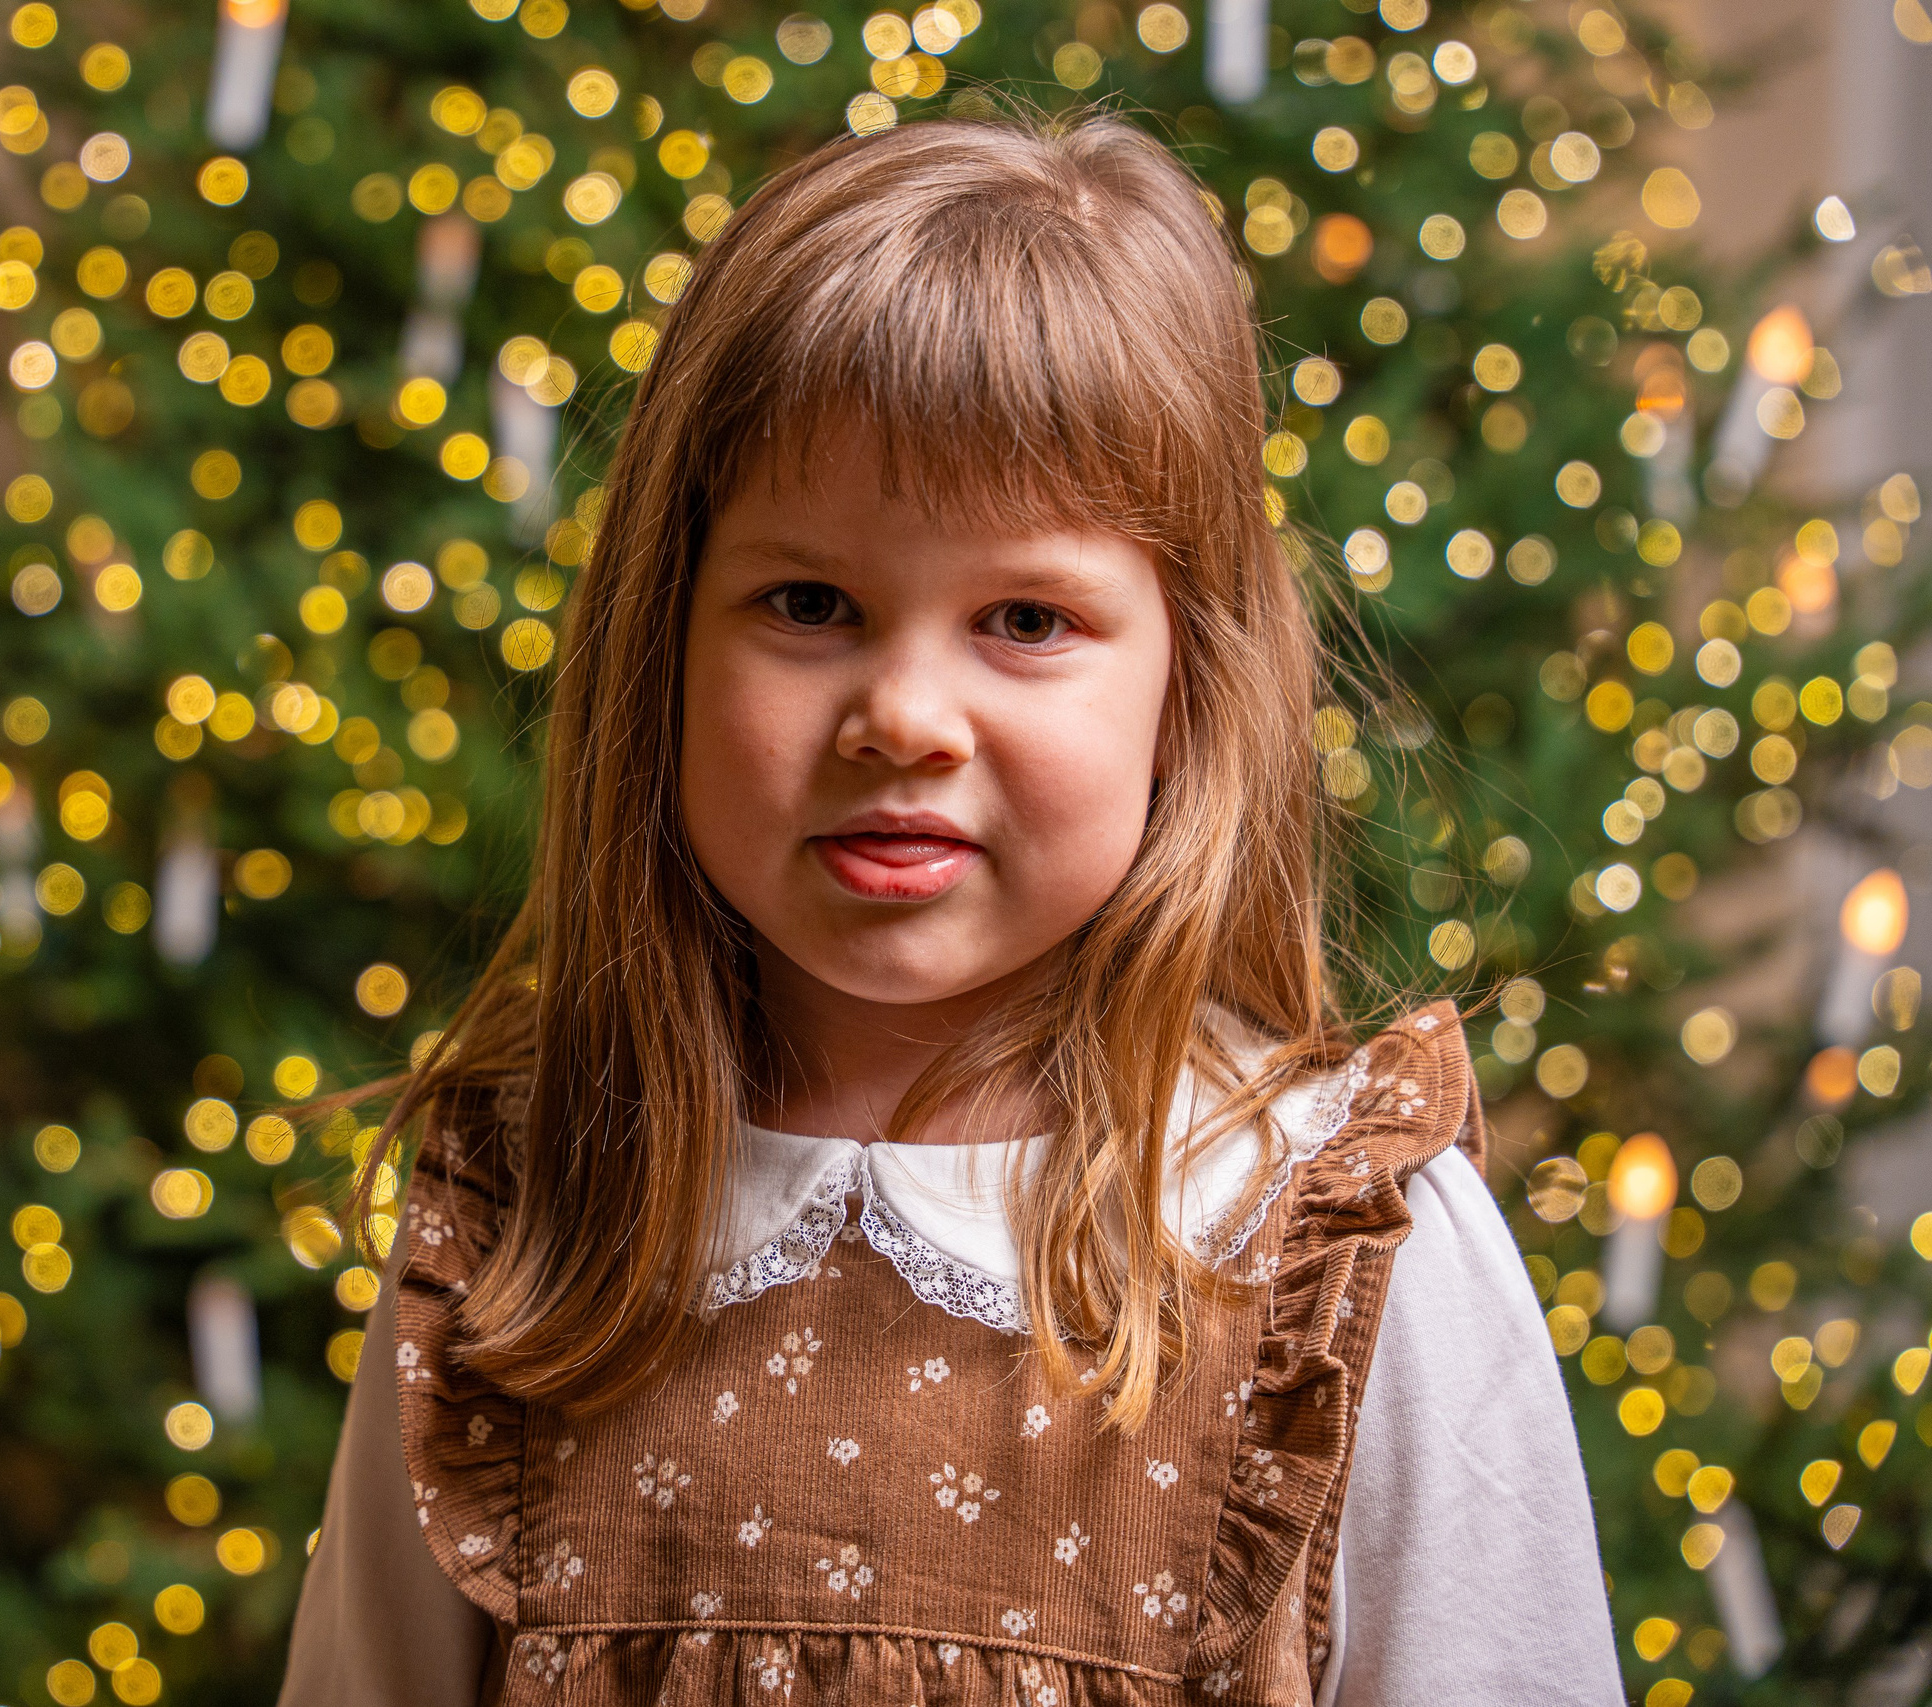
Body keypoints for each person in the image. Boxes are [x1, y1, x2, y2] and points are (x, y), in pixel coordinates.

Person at [279, 113, 1622, 1706]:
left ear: (1187, 683)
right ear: (665, 645)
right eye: (809, 604)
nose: (905, 714)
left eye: (1027, 619)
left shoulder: (1333, 1248)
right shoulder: (525, 1223)